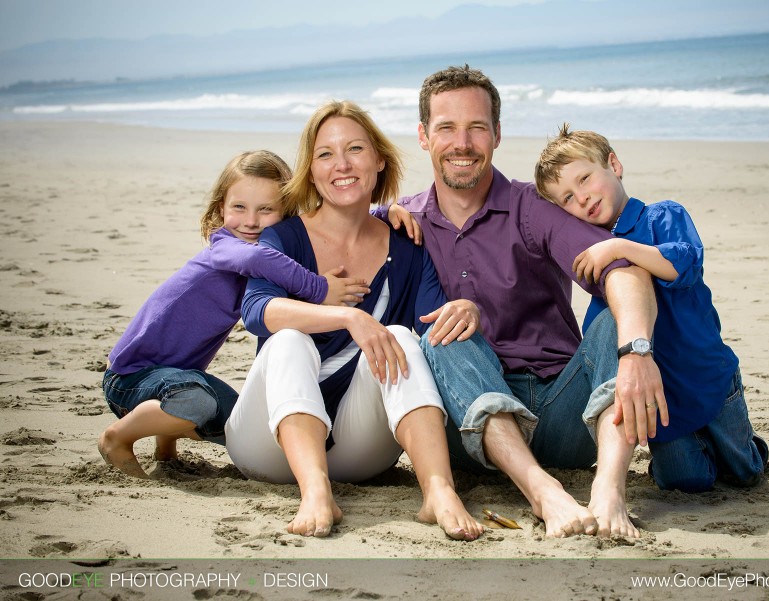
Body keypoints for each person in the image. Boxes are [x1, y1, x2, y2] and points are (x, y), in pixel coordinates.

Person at [380, 65, 666, 539]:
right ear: (424, 137)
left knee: (612, 323)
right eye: (446, 127)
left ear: (496, 134)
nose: (462, 142)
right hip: (467, 428)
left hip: (564, 413)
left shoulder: (533, 207)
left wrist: (636, 352)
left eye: (476, 127)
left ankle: (609, 488)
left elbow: (624, 272)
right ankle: (543, 492)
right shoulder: (401, 220)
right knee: (441, 331)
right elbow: (329, 229)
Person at [225, 101, 484, 541]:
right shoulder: (283, 237)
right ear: (310, 170)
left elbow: (430, 331)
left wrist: (469, 308)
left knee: (402, 336)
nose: (341, 165)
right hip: (269, 446)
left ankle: (438, 491)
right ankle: (315, 491)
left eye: (355, 149)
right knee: (287, 340)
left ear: (379, 160)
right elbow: (256, 312)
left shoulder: (408, 245)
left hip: (359, 449)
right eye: (325, 154)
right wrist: (347, 317)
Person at [100, 150, 368, 479]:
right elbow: (260, 261)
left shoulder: (261, 257)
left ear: (285, 214)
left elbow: (329, 223)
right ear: (220, 209)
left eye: (266, 210)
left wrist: (388, 212)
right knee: (196, 403)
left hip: (177, 376)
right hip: (132, 377)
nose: (251, 221)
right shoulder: (225, 249)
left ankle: (165, 450)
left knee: (235, 429)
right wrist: (319, 288)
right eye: (239, 207)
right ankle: (117, 438)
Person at [534, 125, 769, 492]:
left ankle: (750, 448)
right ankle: (691, 454)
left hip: (709, 376)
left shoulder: (661, 217)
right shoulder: (598, 256)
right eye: (566, 198)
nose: (581, 198)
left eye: (585, 178)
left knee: (745, 473)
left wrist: (620, 248)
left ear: (614, 164)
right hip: (662, 399)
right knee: (685, 481)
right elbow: (605, 327)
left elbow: (682, 265)